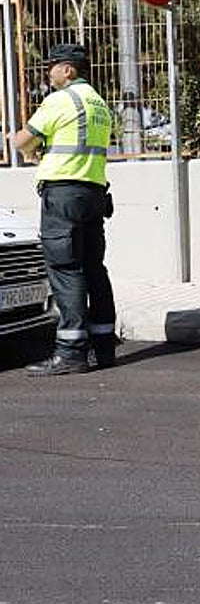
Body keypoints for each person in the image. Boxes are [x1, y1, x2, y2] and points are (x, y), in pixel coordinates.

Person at [8, 43, 117, 376]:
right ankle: (104, 347)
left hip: (63, 195)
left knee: (66, 270)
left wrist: (23, 143)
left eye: (52, 65)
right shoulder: (99, 104)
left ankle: (70, 353)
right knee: (94, 269)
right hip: (94, 193)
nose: (49, 71)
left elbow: (23, 141)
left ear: (68, 70)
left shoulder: (60, 100)